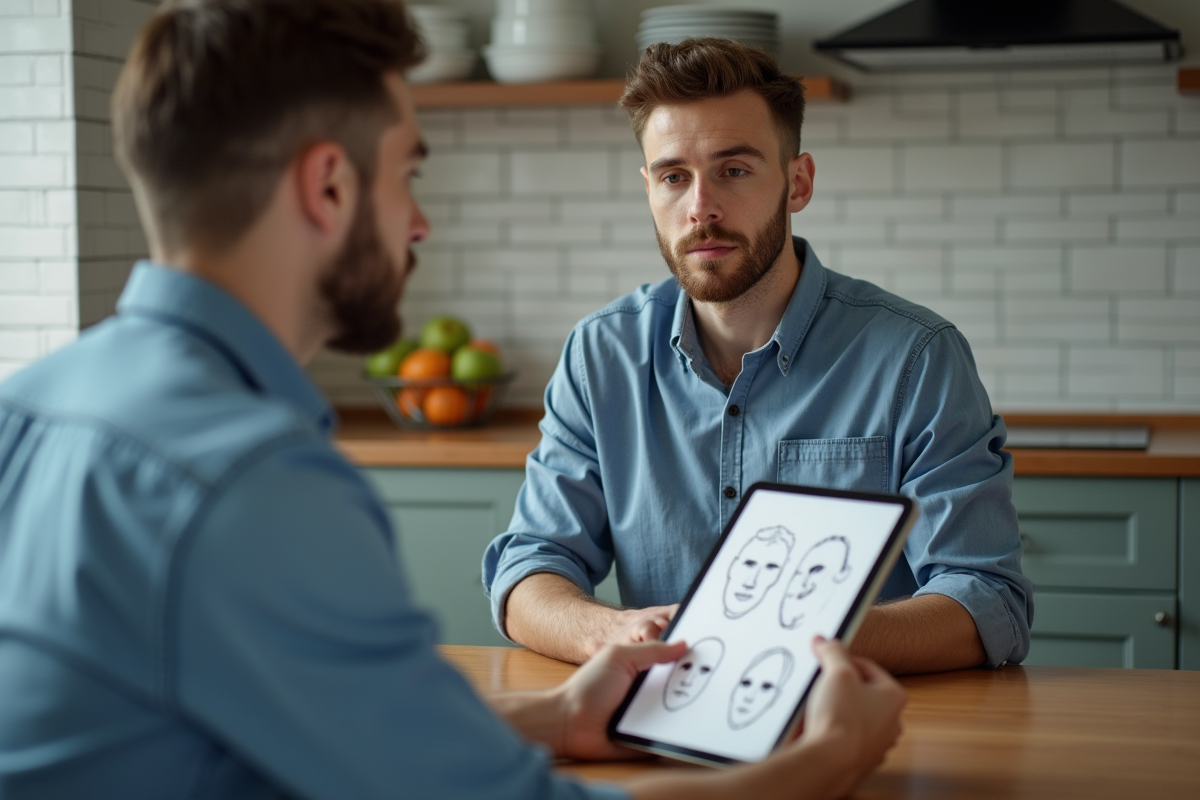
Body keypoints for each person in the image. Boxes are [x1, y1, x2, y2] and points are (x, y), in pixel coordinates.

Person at [0, 2, 907, 798]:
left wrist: (552, 721)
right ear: (328, 186)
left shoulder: (26, 409)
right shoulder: (254, 484)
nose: (421, 221)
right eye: (408, 172)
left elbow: (283, 736)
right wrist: (824, 763)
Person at [483, 39, 1033, 674]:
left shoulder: (916, 357)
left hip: (866, 730)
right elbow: (530, 567)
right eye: (673, 176)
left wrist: (794, 639)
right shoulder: (600, 354)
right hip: (665, 732)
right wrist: (608, 632)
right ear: (649, 188)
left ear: (797, 183)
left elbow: (987, 602)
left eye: (734, 170)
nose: (700, 208)